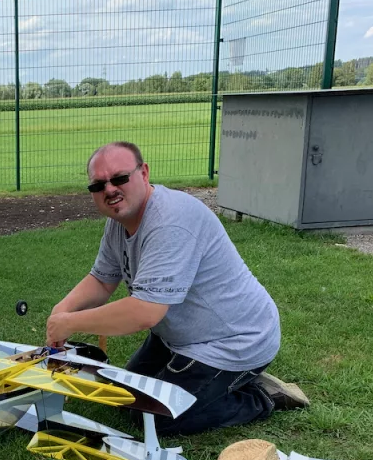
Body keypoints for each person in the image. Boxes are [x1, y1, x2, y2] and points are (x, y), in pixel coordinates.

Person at [46, 141, 308, 436]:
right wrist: (61, 310)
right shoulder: (119, 222)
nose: (110, 190)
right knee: (123, 395)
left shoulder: (170, 222)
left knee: (156, 418)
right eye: (98, 185)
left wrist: (70, 323)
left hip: (235, 339)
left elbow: (145, 312)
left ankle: (260, 397)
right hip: (179, 336)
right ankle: (220, 383)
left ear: (144, 173)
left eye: (120, 178)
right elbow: (102, 280)